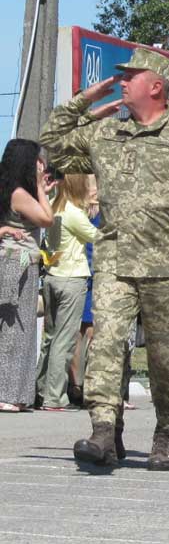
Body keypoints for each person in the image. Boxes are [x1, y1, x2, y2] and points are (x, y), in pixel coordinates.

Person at [40, 50, 169, 470]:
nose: (121, 81)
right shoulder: (106, 134)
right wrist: (86, 99)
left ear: (156, 86)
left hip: (167, 263)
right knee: (105, 343)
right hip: (113, 260)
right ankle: (104, 429)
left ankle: (167, 430)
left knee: (164, 355)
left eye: (130, 76)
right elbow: (51, 139)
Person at [36, 173, 101, 410]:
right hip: (72, 278)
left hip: (53, 276)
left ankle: (41, 389)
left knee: (50, 338)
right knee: (64, 340)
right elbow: (97, 236)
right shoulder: (74, 213)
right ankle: (55, 396)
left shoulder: (54, 207)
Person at [0, 140, 55, 413]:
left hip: (23, 262)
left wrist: (41, 188)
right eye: (37, 160)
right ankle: (8, 392)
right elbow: (47, 219)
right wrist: (41, 191)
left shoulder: (15, 190)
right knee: (15, 330)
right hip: (16, 263)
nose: (41, 164)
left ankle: (17, 393)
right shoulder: (20, 193)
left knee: (22, 330)